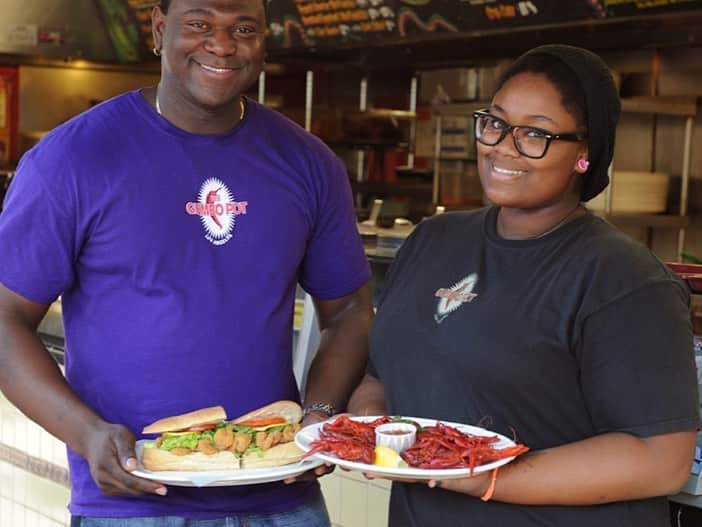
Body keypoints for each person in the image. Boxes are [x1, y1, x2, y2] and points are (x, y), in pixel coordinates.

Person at [0, 0, 373, 525]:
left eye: (242, 28)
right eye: (199, 24)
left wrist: (321, 417)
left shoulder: (309, 163)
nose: (222, 45)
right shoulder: (72, 159)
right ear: (158, 28)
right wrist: (84, 432)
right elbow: (4, 318)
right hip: (132, 502)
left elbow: (350, 309)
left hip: (280, 498)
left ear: (264, 40)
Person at [348, 44, 699, 526]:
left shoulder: (623, 277)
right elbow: (382, 377)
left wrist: (492, 478)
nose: (502, 146)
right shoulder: (433, 238)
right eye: (495, 122)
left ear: (585, 154)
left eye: (535, 133)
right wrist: (371, 437)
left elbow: (661, 460)